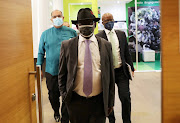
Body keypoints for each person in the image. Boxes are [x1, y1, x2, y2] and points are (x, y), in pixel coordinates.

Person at [58, 8, 115, 123]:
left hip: (99, 102)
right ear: (77, 26)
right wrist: (65, 97)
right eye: (82, 23)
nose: (86, 26)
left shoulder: (105, 45)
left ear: (94, 24)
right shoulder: (67, 45)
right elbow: (62, 74)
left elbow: (110, 76)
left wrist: (110, 102)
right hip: (75, 102)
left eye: (89, 23)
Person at [36, 10, 77, 122]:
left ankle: (65, 117)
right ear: (51, 19)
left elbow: (77, 49)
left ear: (63, 18)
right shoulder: (45, 34)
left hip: (68, 71)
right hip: (51, 70)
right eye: (54, 16)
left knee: (67, 95)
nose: (57, 18)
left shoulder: (71, 32)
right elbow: (40, 52)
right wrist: (38, 66)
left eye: (59, 16)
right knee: (53, 96)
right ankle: (55, 111)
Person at [96, 13, 135, 123]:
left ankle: (127, 121)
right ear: (103, 23)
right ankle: (111, 120)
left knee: (125, 97)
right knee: (108, 99)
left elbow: (126, 52)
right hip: (108, 73)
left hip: (121, 72)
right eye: (107, 21)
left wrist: (131, 67)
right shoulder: (99, 37)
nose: (110, 22)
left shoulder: (121, 34)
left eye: (111, 20)